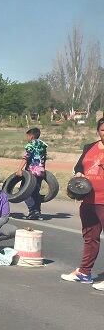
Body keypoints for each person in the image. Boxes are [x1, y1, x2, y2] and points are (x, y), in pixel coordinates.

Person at [62, 117, 104, 287]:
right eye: (103, 129)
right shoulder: (90, 147)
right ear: (98, 131)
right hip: (88, 199)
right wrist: (79, 173)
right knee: (90, 237)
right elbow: (80, 166)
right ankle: (84, 272)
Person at [15, 127, 48, 220]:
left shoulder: (30, 145)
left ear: (31, 136)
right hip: (40, 172)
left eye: (28, 136)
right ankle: (38, 212)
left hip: (31, 172)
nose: (27, 138)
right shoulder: (43, 145)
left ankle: (32, 210)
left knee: (23, 191)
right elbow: (44, 158)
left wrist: (19, 169)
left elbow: (26, 157)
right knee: (35, 192)